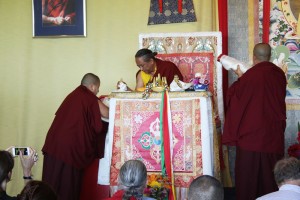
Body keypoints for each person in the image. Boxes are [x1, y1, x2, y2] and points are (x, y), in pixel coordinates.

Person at [222, 43, 287, 200]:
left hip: (250, 138)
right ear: (270, 56)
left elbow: (235, 100)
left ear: (253, 56)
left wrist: (240, 79)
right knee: (270, 178)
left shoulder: (249, 76)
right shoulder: (279, 75)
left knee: (248, 180)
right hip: (272, 137)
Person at [42, 73, 109, 200]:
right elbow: (106, 114)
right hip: (69, 149)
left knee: (51, 183)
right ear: (93, 86)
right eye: (98, 89)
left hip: (53, 145)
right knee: (67, 187)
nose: (97, 92)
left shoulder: (73, 95)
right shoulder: (88, 96)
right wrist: (121, 107)